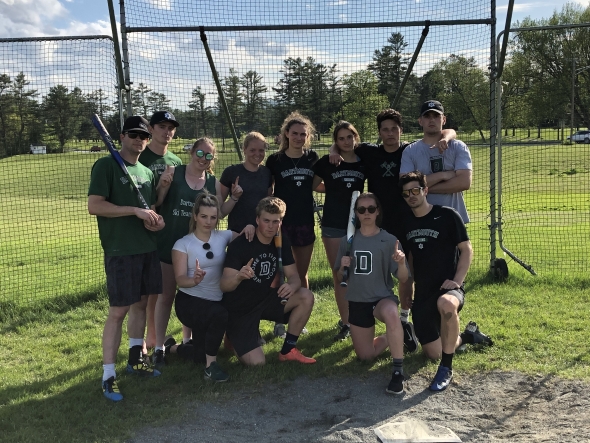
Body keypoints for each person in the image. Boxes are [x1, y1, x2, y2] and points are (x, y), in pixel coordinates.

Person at [329, 109, 456, 351]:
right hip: (378, 223)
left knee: (406, 269)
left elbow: (445, 131)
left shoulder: (409, 151)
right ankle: (365, 316)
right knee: (374, 269)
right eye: (385, 130)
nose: (390, 134)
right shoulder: (370, 152)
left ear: (401, 130)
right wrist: (333, 151)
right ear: (379, 133)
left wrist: (447, 136)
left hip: (407, 221)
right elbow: (343, 145)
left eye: (394, 129)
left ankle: (405, 318)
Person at [88, 116, 165, 402]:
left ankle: (136, 360)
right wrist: (134, 210)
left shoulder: (146, 172)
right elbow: (94, 206)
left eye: (143, 136)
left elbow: (150, 209)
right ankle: (109, 375)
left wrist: (155, 222)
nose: (139, 140)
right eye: (133, 134)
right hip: (121, 251)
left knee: (141, 305)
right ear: (121, 137)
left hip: (147, 247)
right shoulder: (106, 165)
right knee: (118, 311)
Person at [151, 137, 245, 368]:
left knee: (194, 291)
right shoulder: (174, 171)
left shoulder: (212, 182)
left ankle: (188, 341)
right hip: (169, 243)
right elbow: (158, 201)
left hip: (198, 247)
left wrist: (234, 198)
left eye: (209, 156)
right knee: (165, 297)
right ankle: (158, 347)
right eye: (200, 154)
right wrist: (162, 186)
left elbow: (219, 213)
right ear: (191, 152)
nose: (203, 159)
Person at [399, 171, 492, 392]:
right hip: (424, 292)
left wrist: (457, 281)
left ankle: (446, 368)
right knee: (433, 352)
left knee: (447, 305)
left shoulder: (448, 215)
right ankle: (467, 336)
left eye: (415, 190)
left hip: (449, 287)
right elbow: (408, 262)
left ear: (425, 190)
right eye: (406, 193)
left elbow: (466, 249)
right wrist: (408, 295)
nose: (411, 196)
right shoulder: (405, 223)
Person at [219, 197, 316, 366]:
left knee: (305, 296)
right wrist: (238, 277)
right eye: (266, 221)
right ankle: (232, 334)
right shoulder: (241, 244)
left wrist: (292, 286)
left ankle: (288, 350)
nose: (271, 226)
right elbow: (224, 285)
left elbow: (294, 277)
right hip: (241, 309)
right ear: (257, 220)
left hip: (265, 299)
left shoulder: (281, 240)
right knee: (257, 363)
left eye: (275, 221)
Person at [170, 192, 254, 382]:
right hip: (189, 302)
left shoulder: (223, 236)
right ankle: (211, 367)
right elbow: (180, 280)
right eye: (204, 217)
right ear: (195, 217)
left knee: (199, 354)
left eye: (213, 217)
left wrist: (249, 227)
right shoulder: (183, 244)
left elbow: (243, 237)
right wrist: (195, 280)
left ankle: (172, 348)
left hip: (215, 300)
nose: (208, 222)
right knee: (220, 314)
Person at [334, 193, 409, 394]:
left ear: (377, 212)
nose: (366, 213)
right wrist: (342, 267)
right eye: (361, 210)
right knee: (366, 356)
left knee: (392, 313)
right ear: (356, 214)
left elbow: (403, 278)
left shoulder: (389, 240)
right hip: (358, 301)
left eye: (371, 209)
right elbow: (342, 276)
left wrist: (401, 263)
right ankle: (399, 333)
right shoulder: (347, 241)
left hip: (381, 298)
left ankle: (397, 372)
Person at [266, 112, 319, 338]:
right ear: (286, 134)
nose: (298, 137)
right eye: (294, 133)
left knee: (301, 273)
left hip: (305, 222)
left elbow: (318, 183)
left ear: (308, 136)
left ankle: (299, 319)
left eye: (302, 134)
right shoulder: (275, 160)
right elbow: (268, 190)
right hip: (281, 225)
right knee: (279, 273)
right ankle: (279, 320)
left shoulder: (312, 157)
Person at [312, 121, 365, 341]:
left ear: (355, 137)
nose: (346, 142)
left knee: (358, 273)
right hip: (333, 225)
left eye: (349, 137)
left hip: (359, 225)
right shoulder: (328, 162)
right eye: (341, 138)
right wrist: (333, 188)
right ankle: (346, 323)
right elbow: (314, 185)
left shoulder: (364, 162)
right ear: (336, 141)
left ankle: (360, 320)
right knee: (340, 273)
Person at [139, 110, 182, 353]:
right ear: (152, 129)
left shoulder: (175, 161)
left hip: (170, 232)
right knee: (150, 292)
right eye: (162, 127)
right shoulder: (141, 158)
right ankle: (148, 339)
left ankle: (155, 337)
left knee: (163, 290)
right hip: (146, 232)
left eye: (171, 128)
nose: (167, 132)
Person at [400, 100, 472, 224]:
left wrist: (421, 188)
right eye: (427, 116)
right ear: (420, 121)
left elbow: (464, 182)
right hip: (420, 220)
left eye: (436, 116)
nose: (431, 120)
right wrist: (444, 175)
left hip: (453, 220)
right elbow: (406, 185)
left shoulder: (458, 147)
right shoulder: (411, 151)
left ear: (444, 119)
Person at [220, 132, 273, 233]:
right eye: (252, 150)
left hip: (261, 233)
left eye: (261, 150)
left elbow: (268, 202)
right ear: (244, 150)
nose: (257, 154)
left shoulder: (267, 173)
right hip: (237, 233)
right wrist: (234, 197)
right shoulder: (231, 172)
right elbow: (220, 213)